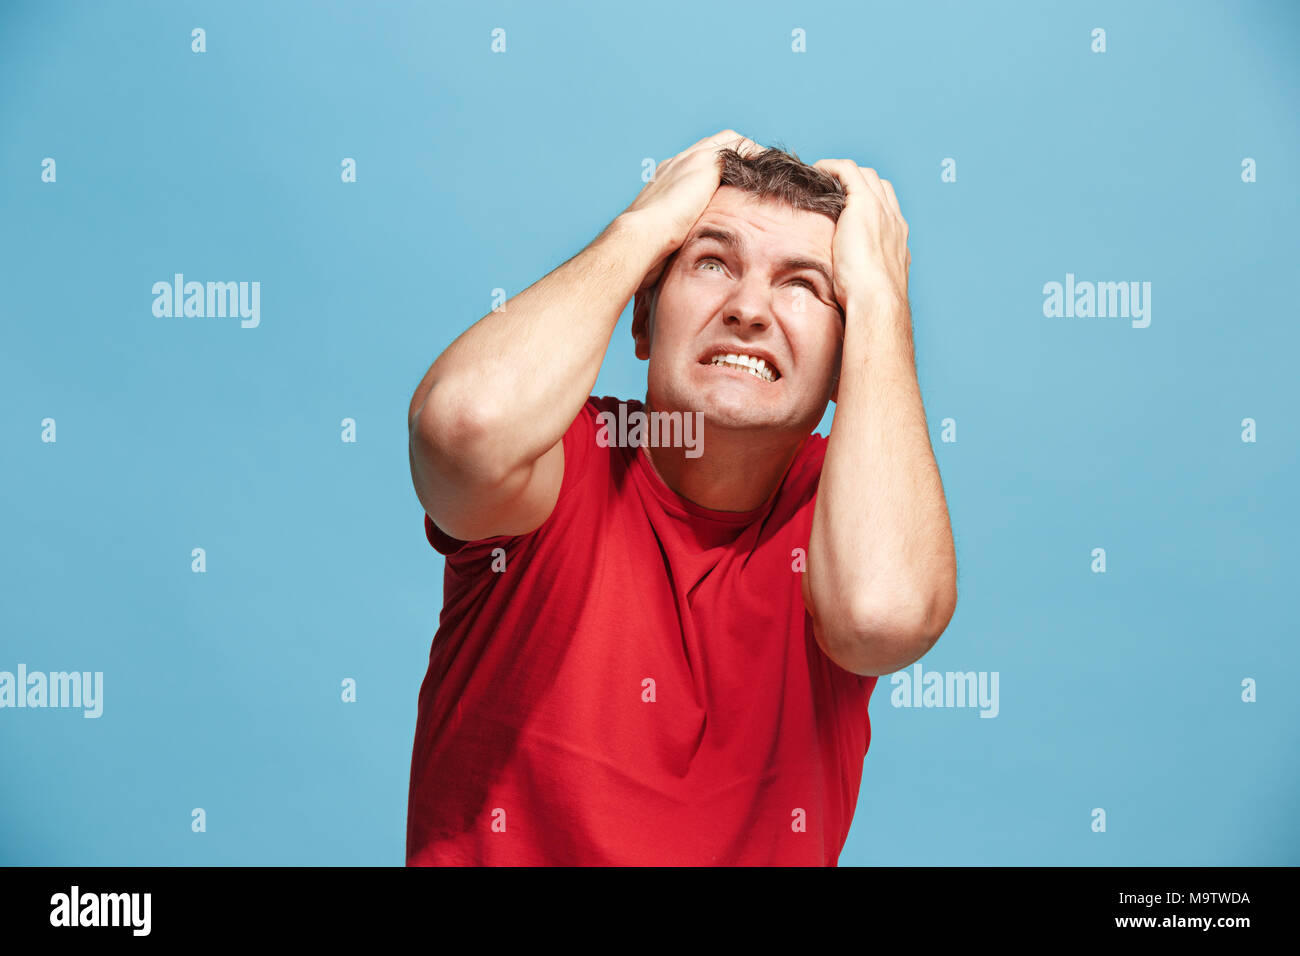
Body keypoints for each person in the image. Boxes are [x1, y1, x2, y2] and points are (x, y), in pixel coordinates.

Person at [405, 130, 957, 865]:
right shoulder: (563, 463)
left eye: (802, 285)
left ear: (842, 366)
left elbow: (882, 619)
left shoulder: (843, 515)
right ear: (642, 320)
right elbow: (463, 428)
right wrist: (645, 227)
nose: (748, 309)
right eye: (711, 262)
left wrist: (882, 300)